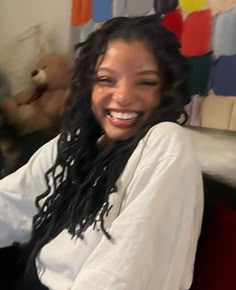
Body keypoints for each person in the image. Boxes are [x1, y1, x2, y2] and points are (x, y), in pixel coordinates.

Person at [0, 15, 203, 290]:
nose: (122, 96)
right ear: (89, 86)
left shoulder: (165, 144)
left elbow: (122, 276)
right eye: (106, 79)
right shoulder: (76, 143)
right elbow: (11, 202)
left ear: (166, 90)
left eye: (145, 82)